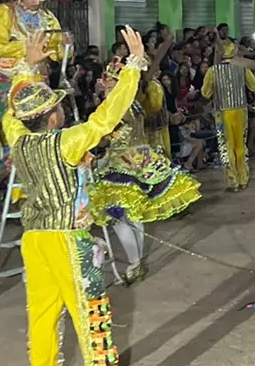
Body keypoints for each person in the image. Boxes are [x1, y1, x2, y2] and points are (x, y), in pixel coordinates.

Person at [4, 29, 151, 366]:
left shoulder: (18, 140)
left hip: (34, 239)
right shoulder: (66, 142)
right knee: (90, 313)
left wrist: (27, 68)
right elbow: (107, 117)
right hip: (68, 239)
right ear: (53, 115)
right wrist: (133, 67)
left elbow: (11, 113)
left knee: (42, 316)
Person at [86, 57, 204, 283]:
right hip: (140, 157)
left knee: (119, 217)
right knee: (133, 214)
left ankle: (135, 263)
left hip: (123, 164)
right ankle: (136, 263)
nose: (104, 89)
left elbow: (105, 136)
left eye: (108, 85)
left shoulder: (116, 107)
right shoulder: (134, 103)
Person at [201, 40, 255, 191]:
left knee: (226, 146)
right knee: (240, 145)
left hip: (222, 112)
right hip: (240, 110)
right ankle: (243, 179)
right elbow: (254, 86)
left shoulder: (212, 71)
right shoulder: (243, 68)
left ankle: (232, 182)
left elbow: (205, 93)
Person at [0, 0, 66, 76]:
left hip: (39, 76)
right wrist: (28, 47)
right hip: (11, 76)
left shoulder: (49, 17)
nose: (37, 3)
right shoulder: (7, 12)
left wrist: (65, 47)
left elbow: (55, 51)